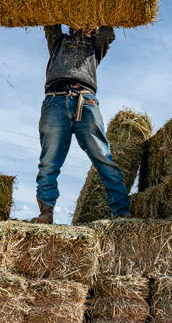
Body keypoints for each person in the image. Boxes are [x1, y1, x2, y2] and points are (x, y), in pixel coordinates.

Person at [31, 24, 133, 224]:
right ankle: (46, 213)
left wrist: (100, 14)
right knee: (49, 161)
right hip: (55, 100)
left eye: (89, 24)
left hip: (84, 101)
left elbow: (107, 32)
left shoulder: (95, 47)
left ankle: (121, 211)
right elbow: (50, 23)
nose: (83, 25)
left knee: (103, 157)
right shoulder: (58, 42)